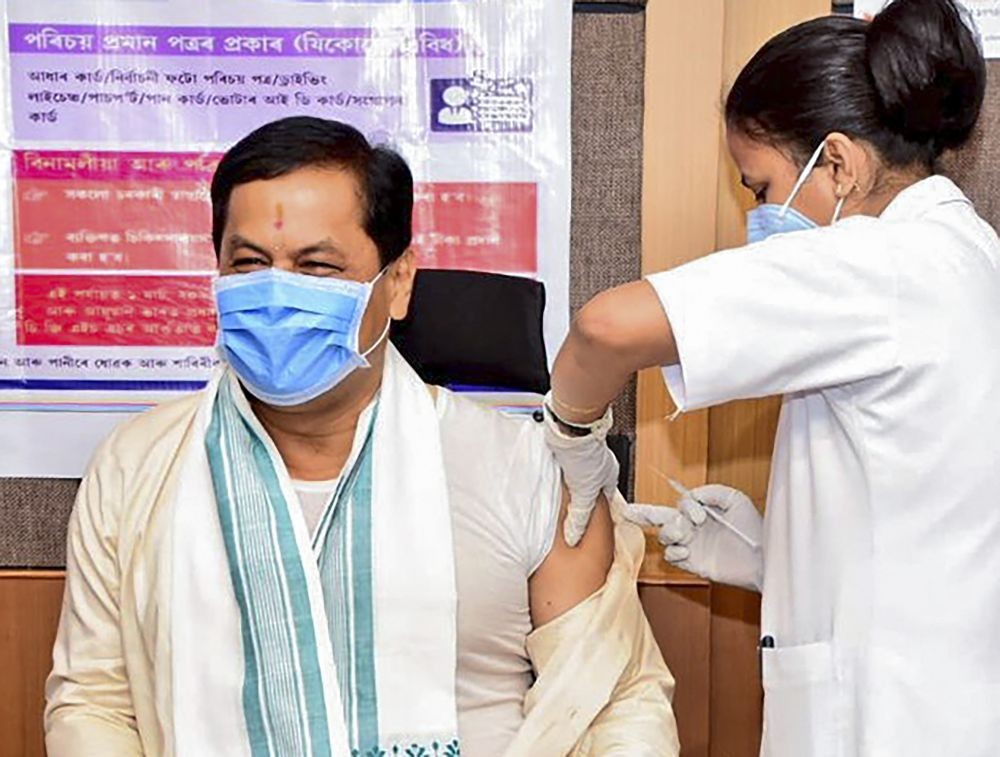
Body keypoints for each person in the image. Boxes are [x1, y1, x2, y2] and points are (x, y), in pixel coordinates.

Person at [44, 116, 679, 756]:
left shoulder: (520, 467)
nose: (275, 292)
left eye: (315, 267)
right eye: (249, 263)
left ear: (398, 280)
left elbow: (615, 704)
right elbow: (93, 703)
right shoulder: (138, 467)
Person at [542, 1, 1000, 755]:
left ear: (841, 164)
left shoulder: (877, 265)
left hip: (891, 725)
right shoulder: (963, 254)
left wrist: (573, 435)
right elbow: (926, 514)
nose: (757, 213)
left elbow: (605, 327)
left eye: (758, 187)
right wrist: (773, 557)